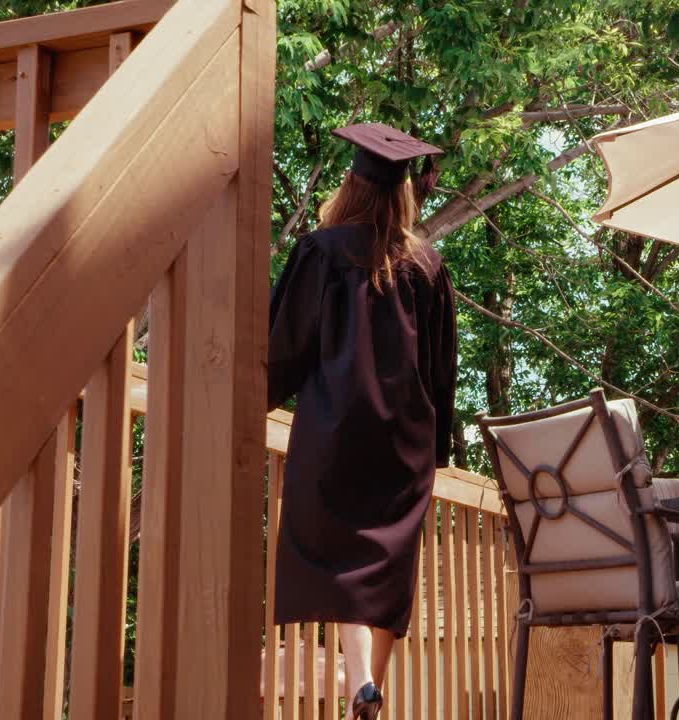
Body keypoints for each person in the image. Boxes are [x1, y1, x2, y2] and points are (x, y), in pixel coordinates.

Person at [268, 122, 458, 720]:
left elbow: (285, 350)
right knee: (384, 571)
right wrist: (439, 448)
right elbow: (440, 368)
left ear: (351, 186)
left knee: (340, 562)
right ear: (403, 193)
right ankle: (369, 685)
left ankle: (360, 682)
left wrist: (262, 395)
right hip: (403, 444)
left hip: (332, 437)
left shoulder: (320, 253)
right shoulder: (425, 264)